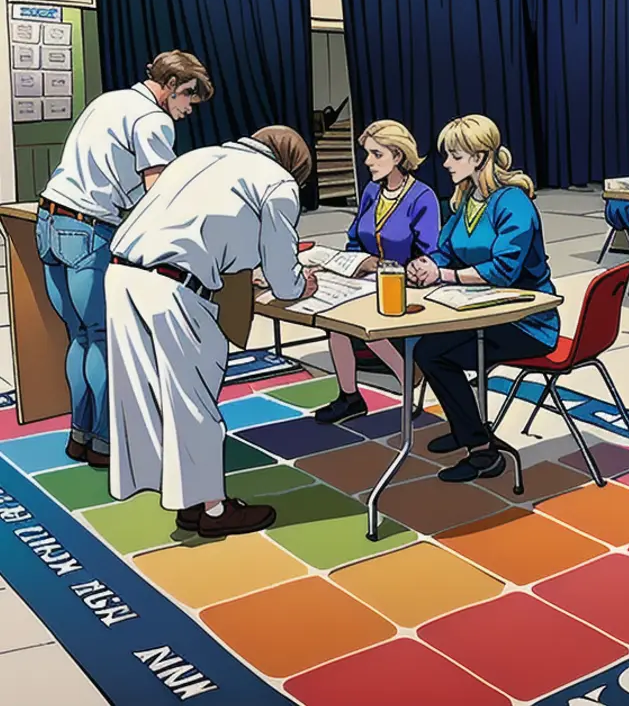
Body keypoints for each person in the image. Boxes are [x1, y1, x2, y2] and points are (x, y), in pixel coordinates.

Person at [106, 126, 317, 538]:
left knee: (145, 395)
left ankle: (187, 500)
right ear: (293, 165)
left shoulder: (195, 158)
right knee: (192, 401)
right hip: (175, 289)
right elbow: (285, 278)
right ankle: (215, 511)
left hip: (122, 274)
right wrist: (300, 282)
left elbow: (206, 225)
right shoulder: (277, 182)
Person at [36, 50, 212, 469]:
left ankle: (79, 435)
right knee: (102, 338)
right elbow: (158, 197)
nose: (188, 110)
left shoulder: (108, 101)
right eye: (188, 98)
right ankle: (103, 443)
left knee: (79, 336)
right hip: (89, 231)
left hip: (48, 224)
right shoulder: (154, 121)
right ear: (171, 87)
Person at [406, 115, 559, 483]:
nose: (445, 164)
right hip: (486, 312)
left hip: (527, 322)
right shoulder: (466, 200)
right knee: (424, 348)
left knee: (431, 352)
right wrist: (426, 264)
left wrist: (441, 275)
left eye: (454, 156)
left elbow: (503, 271)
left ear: (479, 158)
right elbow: (446, 250)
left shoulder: (514, 202)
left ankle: (482, 451)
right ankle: (468, 429)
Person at [315, 120, 440, 424]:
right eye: (367, 154)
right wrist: (354, 262)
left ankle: (407, 380)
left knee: (363, 315)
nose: (368, 161)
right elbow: (355, 237)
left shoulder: (422, 197)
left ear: (397, 156)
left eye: (376, 154)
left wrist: (391, 267)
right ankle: (350, 396)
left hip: (409, 286)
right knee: (336, 317)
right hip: (367, 281)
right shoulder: (372, 191)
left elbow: (430, 254)